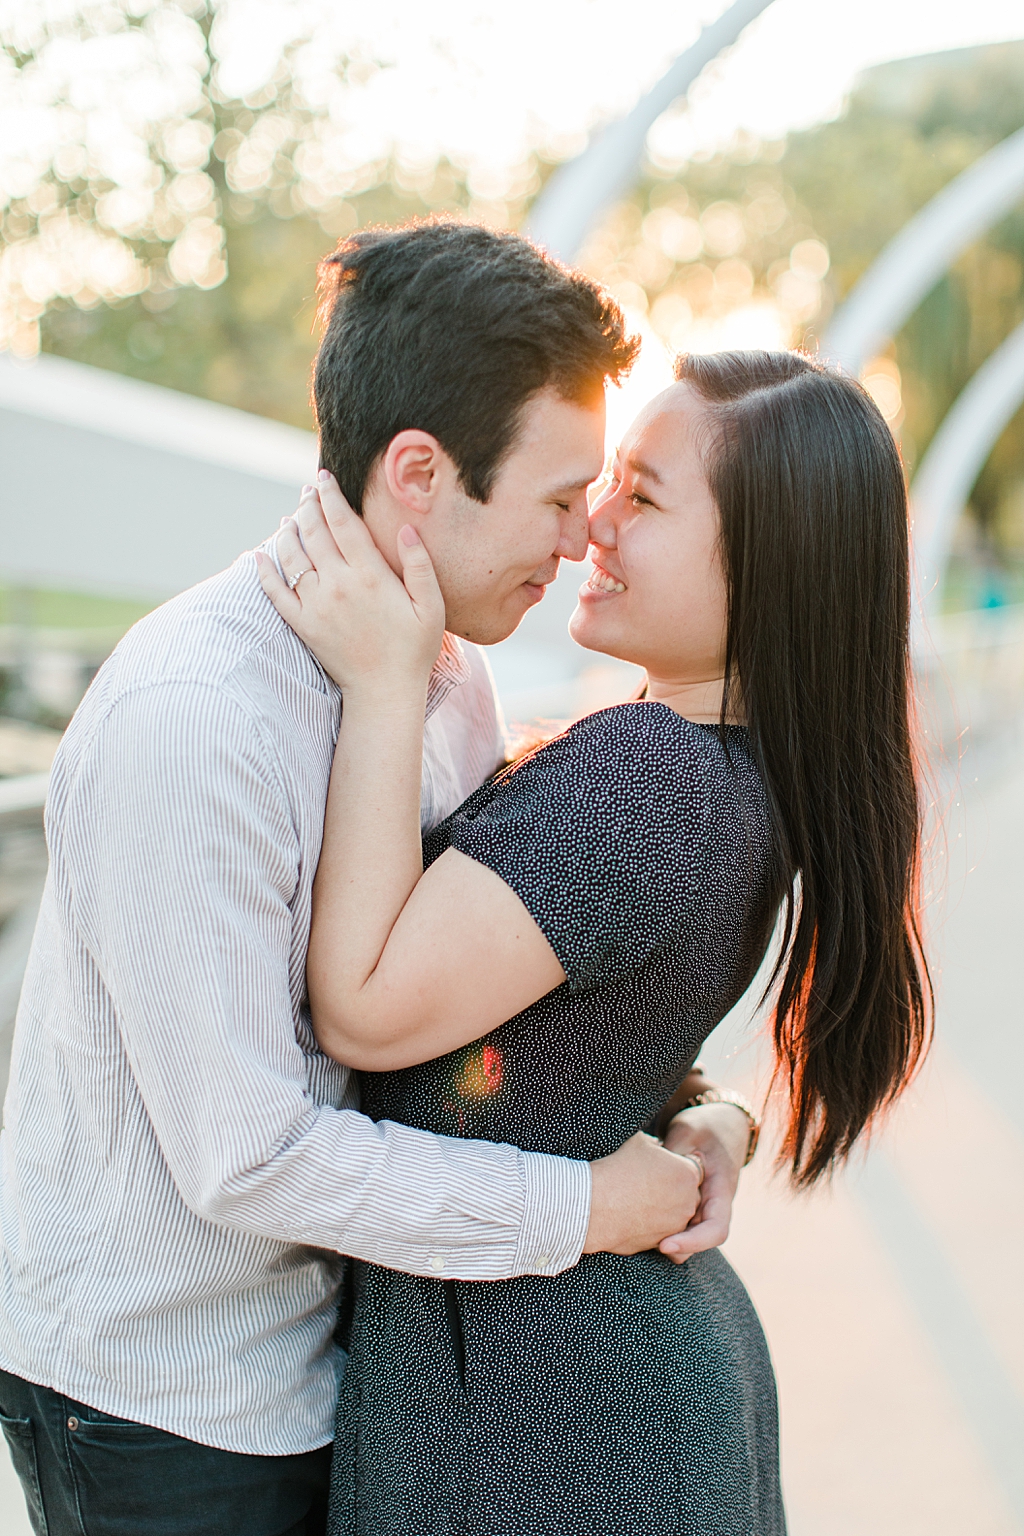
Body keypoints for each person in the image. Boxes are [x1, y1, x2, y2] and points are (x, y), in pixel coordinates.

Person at [0, 224, 748, 1536]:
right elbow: (250, 1158)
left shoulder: (446, 677)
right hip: (165, 1406)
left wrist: (701, 1111)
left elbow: (484, 996)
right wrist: (584, 1208)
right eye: (561, 498)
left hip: (336, 1359)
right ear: (421, 474)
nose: (585, 542)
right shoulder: (195, 722)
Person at [258, 347, 932, 1536]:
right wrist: (711, 1107)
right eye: (607, 482)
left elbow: (362, 1005)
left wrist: (383, 674)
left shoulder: (650, 774)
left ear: (768, 566)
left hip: (548, 1416)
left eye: (645, 497)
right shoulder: (727, 766)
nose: (591, 527)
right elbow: (593, 1021)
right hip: (588, 1384)